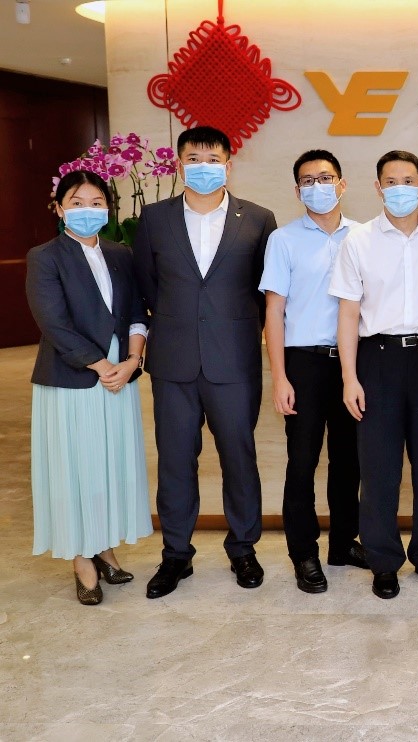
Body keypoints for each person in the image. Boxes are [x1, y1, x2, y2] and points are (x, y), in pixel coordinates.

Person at [131, 125, 278, 598]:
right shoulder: (154, 218)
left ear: (229, 165)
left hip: (233, 361)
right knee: (175, 461)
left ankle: (243, 549)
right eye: (194, 159)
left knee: (239, 457)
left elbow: (266, 290)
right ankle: (176, 554)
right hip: (173, 361)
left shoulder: (258, 219)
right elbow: (146, 284)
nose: (203, 167)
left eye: (213, 159)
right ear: (179, 165)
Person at [330, 150, 418, 600]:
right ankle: (383, 561)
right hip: (377, 359)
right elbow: (348, 314)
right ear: (378, 187)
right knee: (379, 468)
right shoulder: (358, 241)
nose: (400, 188)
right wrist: (350, 377)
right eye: (391, 181)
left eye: (408, 181)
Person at [27, 170, 152, 605]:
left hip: (120, 375)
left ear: (108, 209)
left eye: (96, 203)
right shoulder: (45, 257)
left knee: (108, 465)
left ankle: (103, 546)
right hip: (74, 377)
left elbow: (137, 312)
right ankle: (82, 559)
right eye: (76, 203)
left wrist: (132, 361)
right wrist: (102, 366)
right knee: (75, 468)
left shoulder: (120, 253)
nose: (87, 211)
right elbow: (53, 323)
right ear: (60, 209)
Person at [258, 149, 368, 595]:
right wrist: (280, 377)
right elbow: (273, 311)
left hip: (354, 363)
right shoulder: (283, 240)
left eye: (325, 178)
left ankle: (343, 543)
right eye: (308, 180)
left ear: (342, 184)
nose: (317, 186)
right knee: (302, 462)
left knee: (349, 460)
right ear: (297, 190)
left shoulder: (363, 236)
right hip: (303, 362)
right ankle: (303, 553)